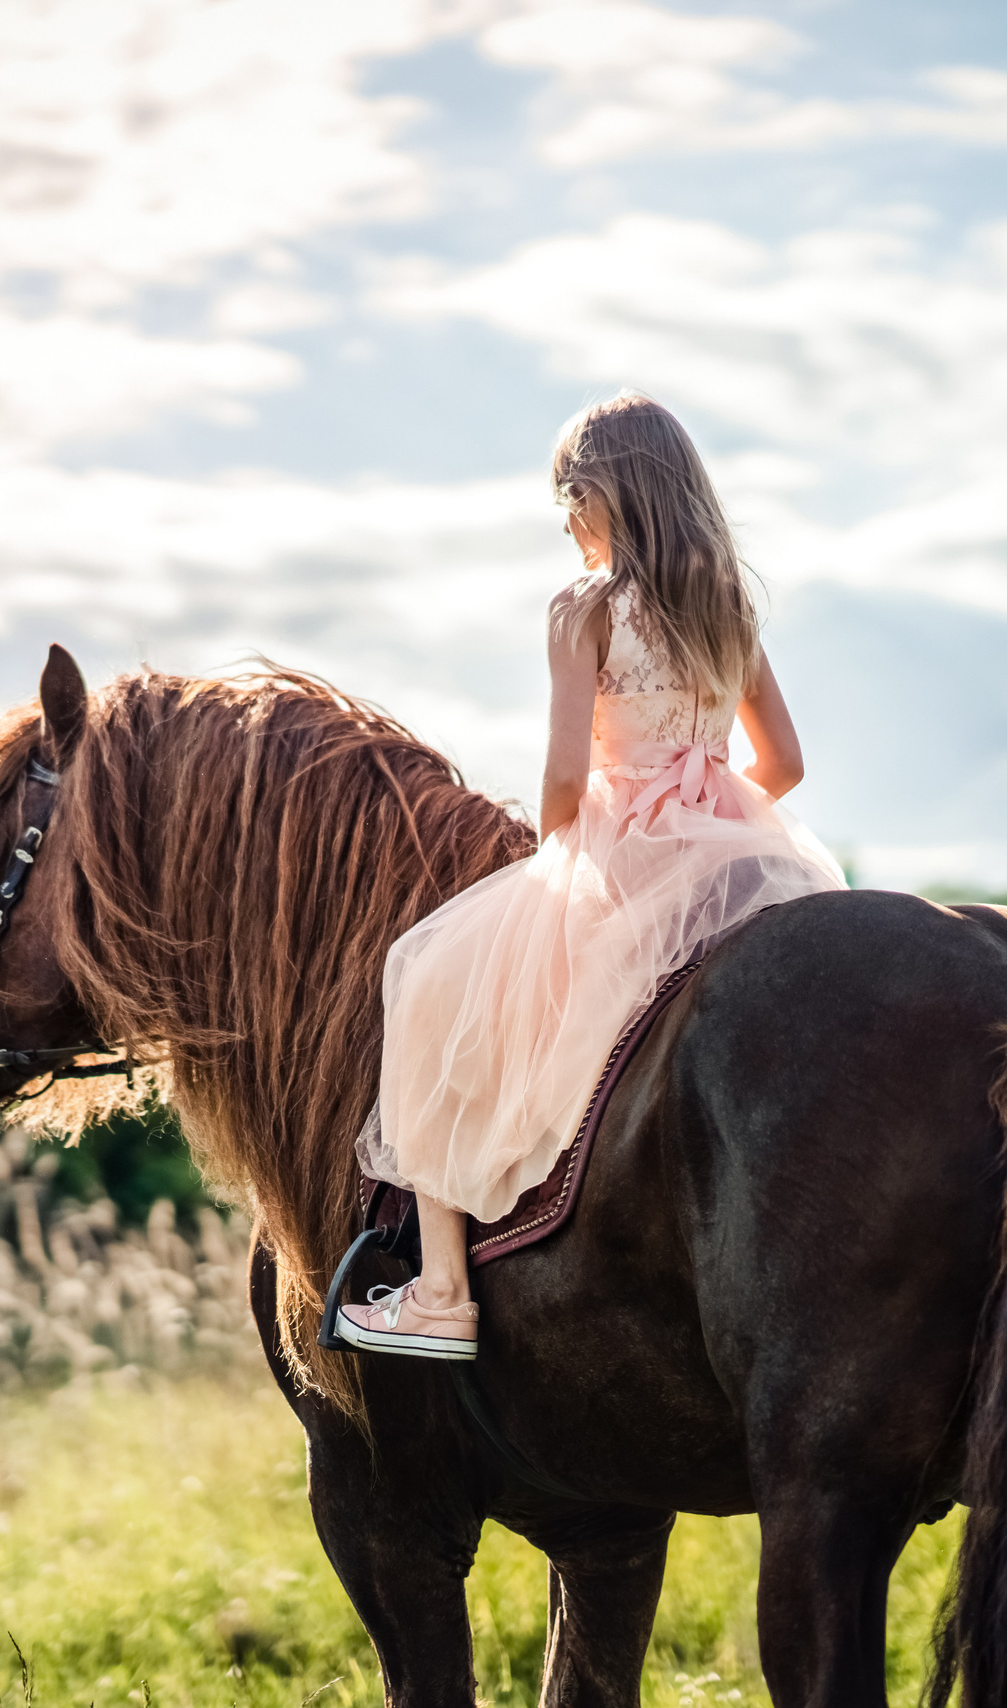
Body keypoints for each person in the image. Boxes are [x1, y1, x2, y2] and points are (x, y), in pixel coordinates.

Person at [336, 392, 846, 1361]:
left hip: (623, 845)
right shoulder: (729, 606)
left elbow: (566, 774)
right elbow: (783, 764)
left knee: (435, 979)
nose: (566, 524)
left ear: (599, 497)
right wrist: (706, 803)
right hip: (738, 848)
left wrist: (564, 846)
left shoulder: (588, 608)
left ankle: (441, 1290)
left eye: (565, 500)